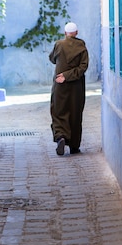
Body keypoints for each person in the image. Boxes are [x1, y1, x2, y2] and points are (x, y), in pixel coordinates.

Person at [49, 22, 89, 156]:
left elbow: (52, 59)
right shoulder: (82, 47)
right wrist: (69, 75)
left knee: (58, 111)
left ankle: (60, 136)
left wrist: (64, 75)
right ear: (76, 32)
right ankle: (74, 146)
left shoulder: (59, 44)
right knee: (75, 114)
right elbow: (83, 67)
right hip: (76, 86)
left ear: (65, 33)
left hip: (60, 85)